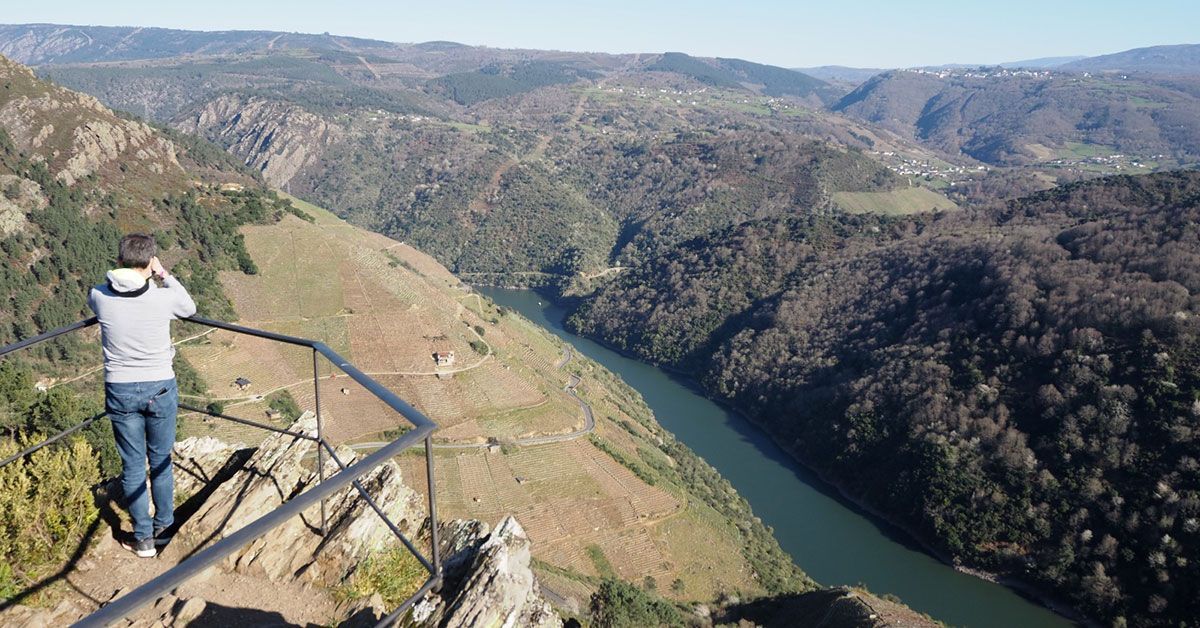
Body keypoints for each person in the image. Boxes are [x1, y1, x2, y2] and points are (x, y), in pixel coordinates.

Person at [88, 234, 197, 558]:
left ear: (119, 262)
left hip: (121, 389)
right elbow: (189, 308)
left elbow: (102, 292)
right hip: (160, 386)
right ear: (150, 263)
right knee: (160, 460)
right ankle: (165, 528)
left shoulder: (100, 296)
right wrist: (164, 274)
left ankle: (144, 538)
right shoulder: (163, 299)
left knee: (133, 466)